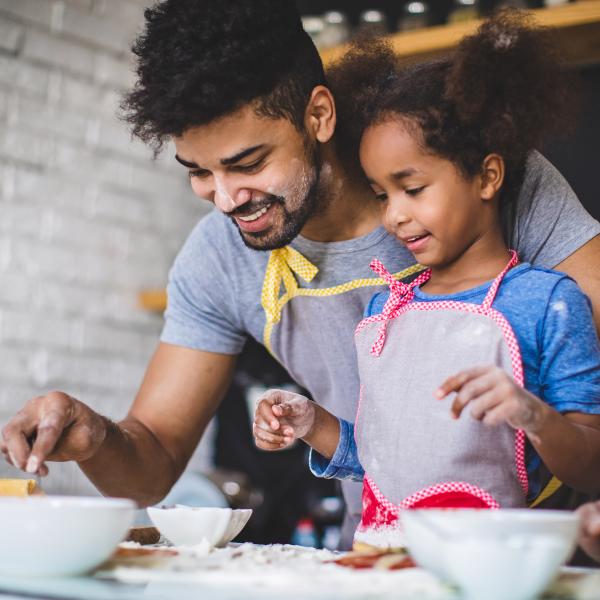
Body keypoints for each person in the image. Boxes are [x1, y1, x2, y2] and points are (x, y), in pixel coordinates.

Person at [1, 1, 599, 550]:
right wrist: (96, 437)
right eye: (199, 172)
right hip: (376, 552)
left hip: (541, 557)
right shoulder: (218, 257)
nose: (226, 199)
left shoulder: (467, 177)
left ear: (317, 114)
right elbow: (152, 463)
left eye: (248, 163)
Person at [253, 12, 600, 550]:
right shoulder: (385, 311)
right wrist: (312, 422)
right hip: (378, 560)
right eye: (381, 194)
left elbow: (591, 467)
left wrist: (532, 414)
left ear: (487, 177)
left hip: (483, 569)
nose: (393, 215)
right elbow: (378, 461)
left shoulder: (547, 302)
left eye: (411, 188)